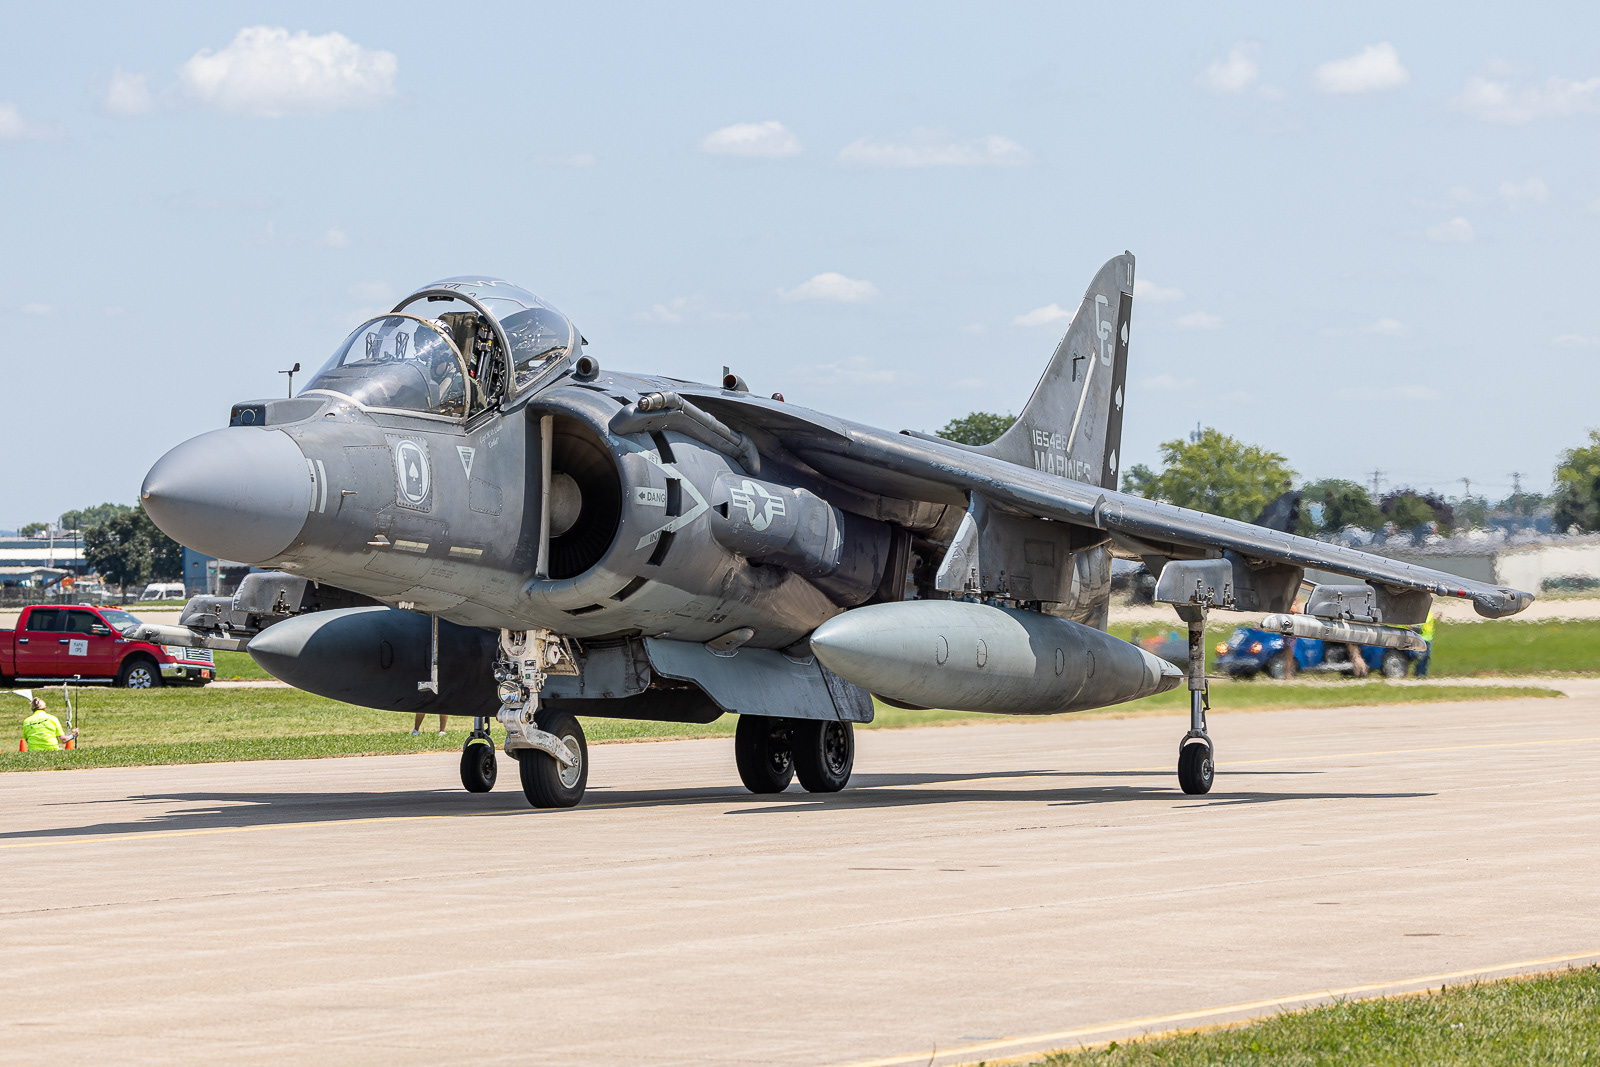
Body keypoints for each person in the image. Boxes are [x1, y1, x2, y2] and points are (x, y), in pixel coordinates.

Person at [1414, 608, 1436, 678]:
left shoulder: (1429, 613)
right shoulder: (1420, 614)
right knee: (1422, 656)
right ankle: (1419, 673)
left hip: (1428, 638)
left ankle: (1424, 673)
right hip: (1421, 639)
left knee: (1427, 657)